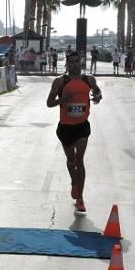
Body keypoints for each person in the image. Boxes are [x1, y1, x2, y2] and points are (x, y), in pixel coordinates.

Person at [46, 51, 102, 213]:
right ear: (67, 64)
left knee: (79, 160)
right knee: (71, 161)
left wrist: (98, 96)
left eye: (77, 61)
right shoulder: (60, 82)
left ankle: (80, 199)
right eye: (71, 62)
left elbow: (97, 92)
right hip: (65, 127)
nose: (74, 64)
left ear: (81, 63)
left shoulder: (89, 79)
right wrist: (63, 100)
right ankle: (74, 183)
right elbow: (49, 103)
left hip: (82, 126)